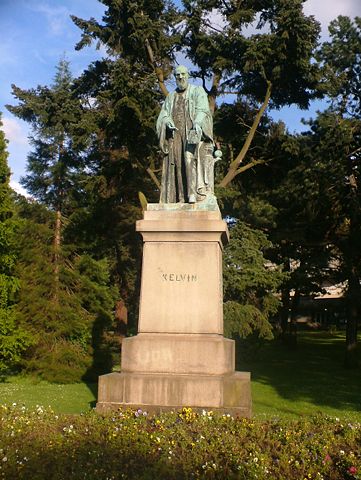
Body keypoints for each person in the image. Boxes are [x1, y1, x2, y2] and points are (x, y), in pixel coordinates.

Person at [156, 65, 215, 203]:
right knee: (177, 164)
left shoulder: (197, 91)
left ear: (187, 75)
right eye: (178, 75)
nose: (181, 77)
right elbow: (163, 115)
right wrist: (167, 121)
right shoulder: (171, 97)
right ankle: (179, 197)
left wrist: (197, 123)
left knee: (189, 159)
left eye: (183, 74)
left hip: (191, 132)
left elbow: (203, 110)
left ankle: (193, 194)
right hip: (175, 135)